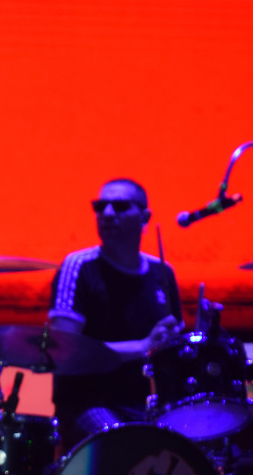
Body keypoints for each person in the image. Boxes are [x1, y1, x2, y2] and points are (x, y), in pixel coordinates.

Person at [48, 179, 182, 450]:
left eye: (120, 206)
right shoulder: (80, 267)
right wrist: (143, 347)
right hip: (87, 403)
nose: (107, 214)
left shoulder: (162, 272)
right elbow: (63, 352)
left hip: (147, 404)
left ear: (145, 217)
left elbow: (174, 348)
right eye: (100, 207)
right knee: (124, 445)